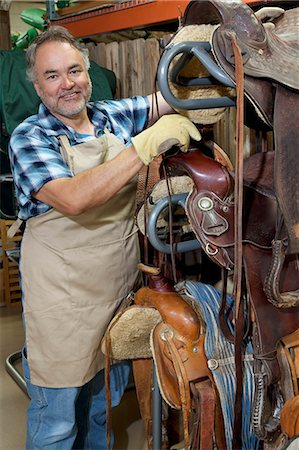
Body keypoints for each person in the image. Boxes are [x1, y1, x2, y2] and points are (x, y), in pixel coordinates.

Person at [8, 25, 201, 450]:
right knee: (57, 420)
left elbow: (170, 97)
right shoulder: (30, 138)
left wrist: (215, 50)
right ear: (37, 85)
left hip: (114, 288)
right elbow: (74, 199)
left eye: (74, 70)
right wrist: (143, 147)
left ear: (88, 72)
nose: (67, 84)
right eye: (52, 75)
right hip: (61, 298)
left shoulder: (111, 116)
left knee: (101, 408)